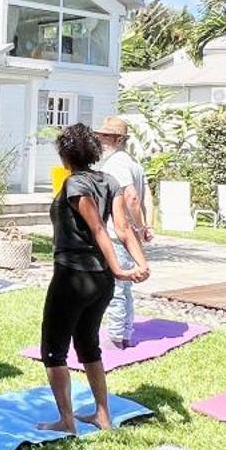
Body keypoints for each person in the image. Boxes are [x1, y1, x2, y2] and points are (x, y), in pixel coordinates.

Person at [37, 123, 148, 433]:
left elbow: (100, 228)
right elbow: (123, 229)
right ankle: (102, 415)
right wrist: (141, 262)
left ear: (65, 155)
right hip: (100, 281)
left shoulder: (75, 185)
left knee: (53, 349)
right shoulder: (109, 181)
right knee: (88, 344)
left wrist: (120, 268)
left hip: (74, 276)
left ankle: (66, 420)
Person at [94, 115, 151, 346]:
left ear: (117, 139)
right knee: (126, 286)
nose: (100, 140)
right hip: (128, 232)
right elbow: (148, 195)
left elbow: (133, 197)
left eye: (104, 136)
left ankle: (117, 335)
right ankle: (125, 333)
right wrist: (147, 226)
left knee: (117, 285)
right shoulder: (133, 162)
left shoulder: (118, 163)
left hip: (119, 232)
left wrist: (138, 225)